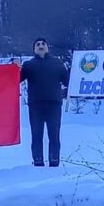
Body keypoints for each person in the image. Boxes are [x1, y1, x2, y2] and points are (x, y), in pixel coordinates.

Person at [19, 37, 69, 167]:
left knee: (54, 134)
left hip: (54, 104)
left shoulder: (57, 63)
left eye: (43, 44)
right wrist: (14, 68)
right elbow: (16, 79)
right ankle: (38, 161)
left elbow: (68, 81)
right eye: (37, 44)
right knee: (36, 135)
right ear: (34, 49)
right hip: (36, 105)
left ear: (47, 47)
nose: (40, 46)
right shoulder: (28, 65)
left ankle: (54, 161)